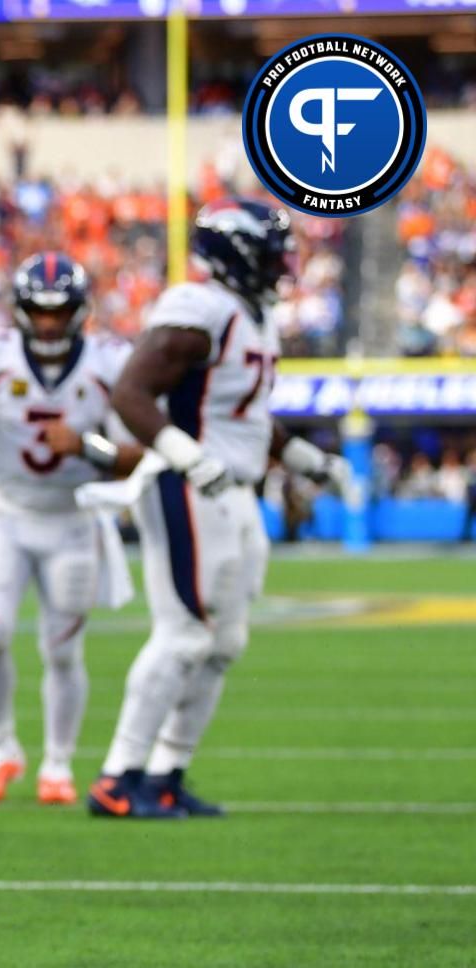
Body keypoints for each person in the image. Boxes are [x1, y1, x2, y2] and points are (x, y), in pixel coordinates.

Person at [86, 200, 351, 819]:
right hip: (188, 485)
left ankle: (165, 775)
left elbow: (248, 419)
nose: (281, 265)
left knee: (224, 640)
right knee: (183, 636)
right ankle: (117, 778)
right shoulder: (198, 308)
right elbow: (131, 394)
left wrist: (310, 461)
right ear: (236, 254)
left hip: (234, 489)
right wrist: (187, 455)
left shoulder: (252, 316)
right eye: (270, 253)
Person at [0, 252, 138, 807]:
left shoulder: (110, 361)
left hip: (72, 519)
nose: (47, 323)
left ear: (79, 311)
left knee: (63, 652)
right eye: (38, 311)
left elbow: (141, 451)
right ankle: (1, 749)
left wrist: (89, 447)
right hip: (8, 513)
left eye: (59, 311)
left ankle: (58, 764)